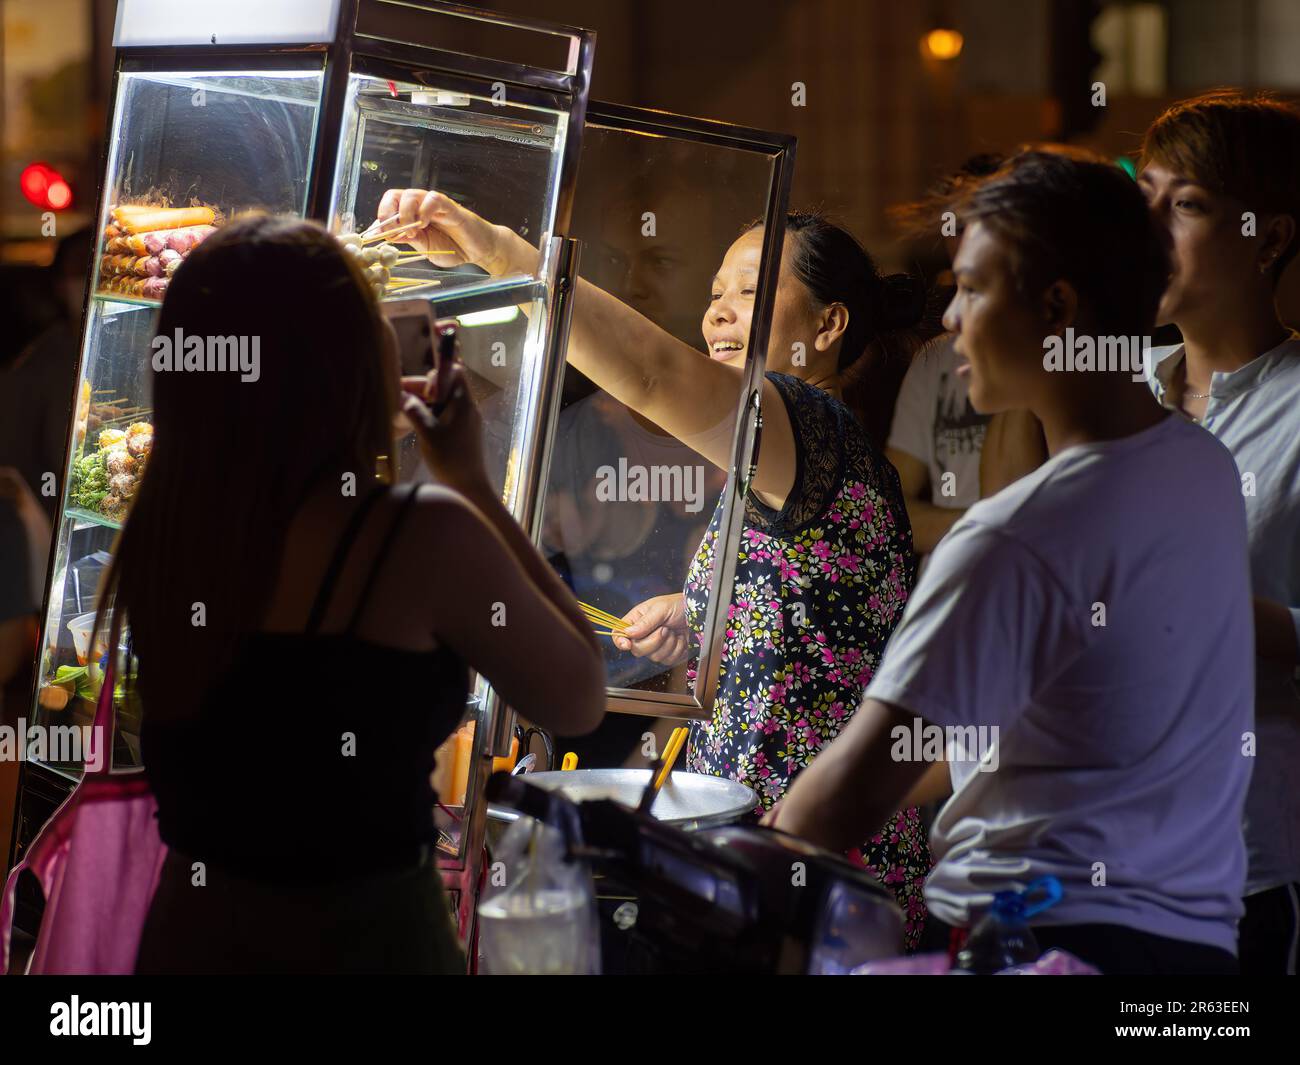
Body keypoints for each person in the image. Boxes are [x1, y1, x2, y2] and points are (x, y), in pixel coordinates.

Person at [378, 189, 933, 946]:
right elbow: (808, 607)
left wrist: (500, 251)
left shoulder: (810, 423)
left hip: (816, 873)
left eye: (752, 289)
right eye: (714, 294)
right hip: (763, 853)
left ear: (828, 325)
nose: (719, 312)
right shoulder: (792, 463)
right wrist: (702, 611)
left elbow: (646, 372)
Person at [768, 148, 1254, 975]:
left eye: (973, 287)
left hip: (1042, 942)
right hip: (1195, 959)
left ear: (1057, 306)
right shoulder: (1201, 466)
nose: (950, 318)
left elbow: (835, 806)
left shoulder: (1017, 537)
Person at [91, 215, 605, 974]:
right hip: (367, 941)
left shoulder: (161, 536)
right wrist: (468, 482)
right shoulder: (417, 535)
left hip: (190, 934)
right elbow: (578, 695)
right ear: (349, 366)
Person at [1136, 90, 1300, 975]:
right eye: (1144, 200)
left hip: (1244, 870)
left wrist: (1234, 619)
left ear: (1269, 238)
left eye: (1187, 205)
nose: (1149, 229)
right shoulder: (1111, 392)